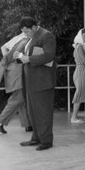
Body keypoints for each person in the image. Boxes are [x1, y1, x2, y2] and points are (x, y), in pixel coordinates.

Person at [16, 17, 57, 151]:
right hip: (31, 81)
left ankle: (46, 141)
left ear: (34, 27)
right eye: (24, 32)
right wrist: (21, 55)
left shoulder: (46, 36)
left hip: (42, 81)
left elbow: (49, 55)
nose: (25, 34)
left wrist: (28, 58)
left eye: (27, 31)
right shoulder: (32, 37)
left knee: (43, 112)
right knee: (33, 112)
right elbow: (32, 54)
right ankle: (36, 137)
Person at [0, 33, 33, 134]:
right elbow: (3, 62)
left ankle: (27, 124)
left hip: (18, 74)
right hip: (17, 75)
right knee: (18, 98)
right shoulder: (22, 42)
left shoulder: (23, 41)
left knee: (21, 100)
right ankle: (0, 121)